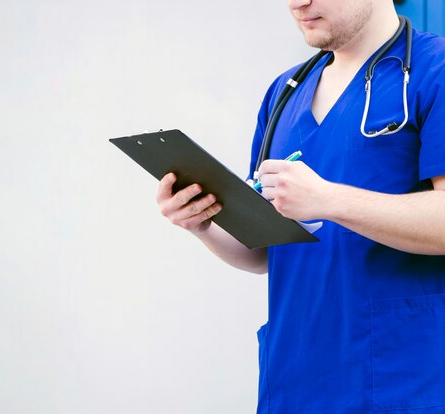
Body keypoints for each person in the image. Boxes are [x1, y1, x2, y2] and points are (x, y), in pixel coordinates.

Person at [156, 1, 445, 412]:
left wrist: (329, 200)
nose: (298, 2)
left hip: (399, 379)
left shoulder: (435, 71)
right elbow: (265, 252)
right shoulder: (284, 92)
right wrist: (202, 223)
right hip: (297, 378)